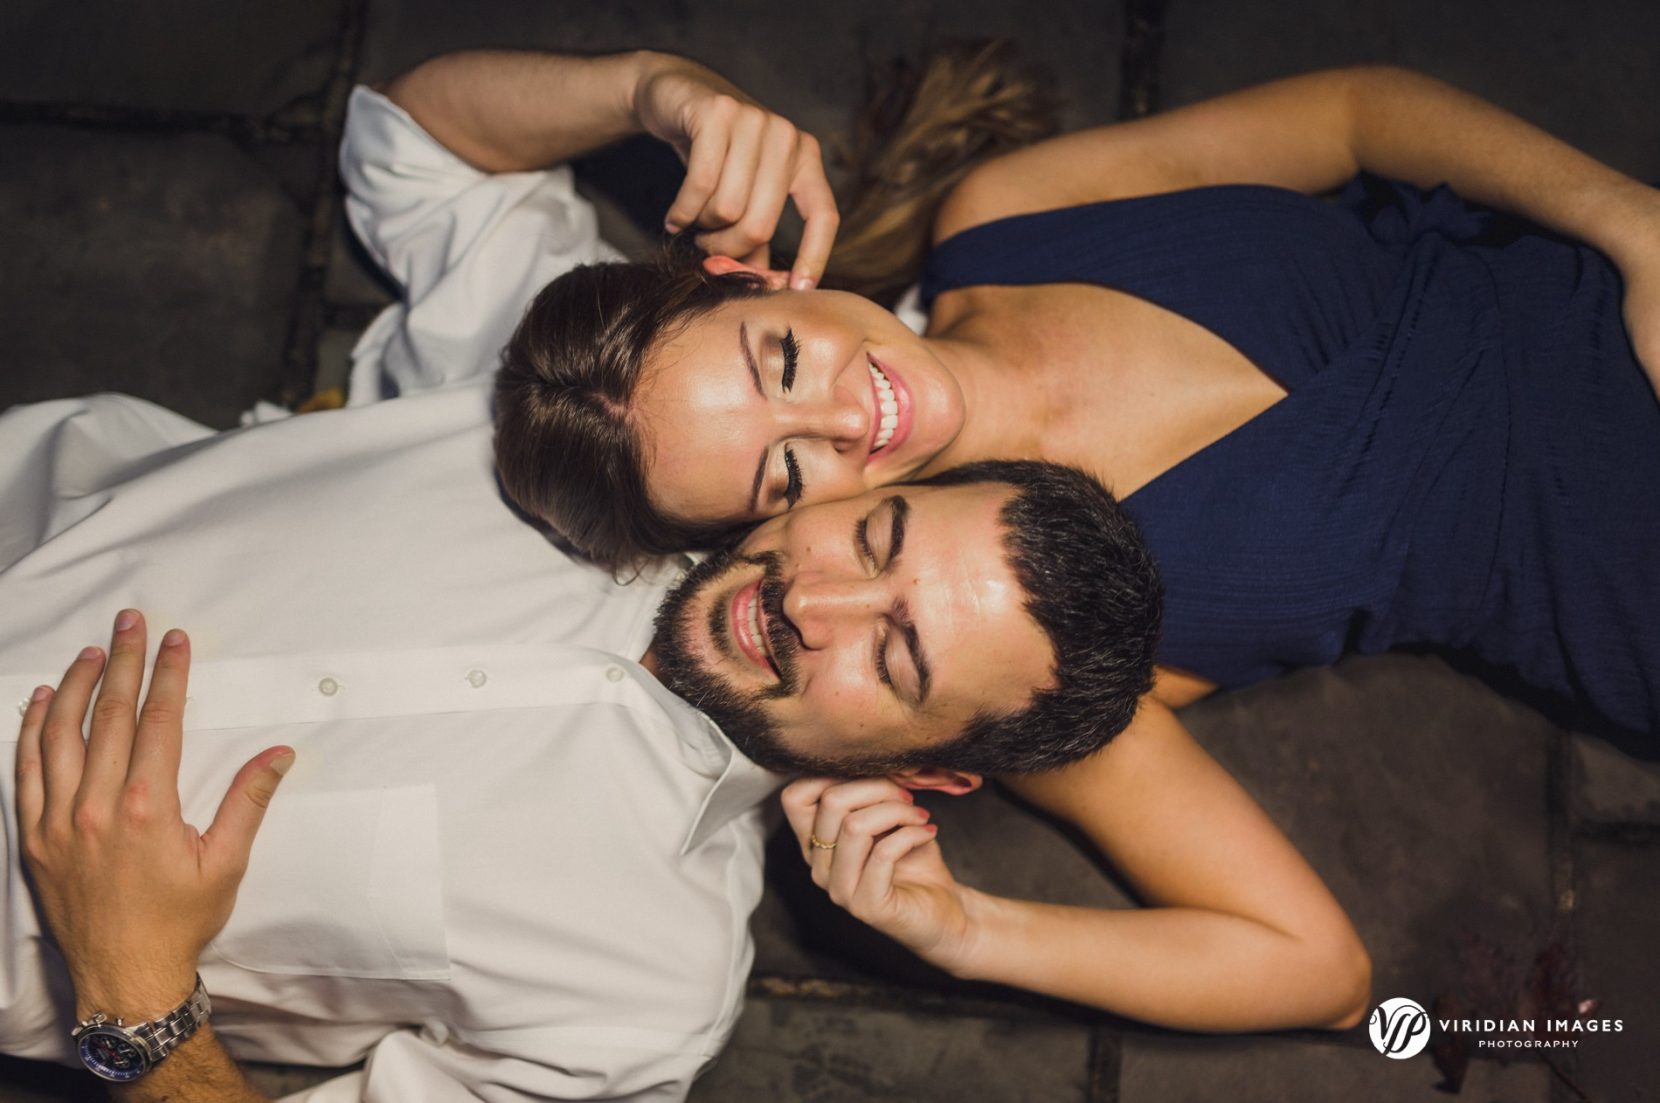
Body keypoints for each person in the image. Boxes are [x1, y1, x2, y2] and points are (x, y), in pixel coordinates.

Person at [1, 384, 1366, 1100]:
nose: (808, 601)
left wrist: (137, 1002)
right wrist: (653, 89)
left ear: (927, 770)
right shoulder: (632, 417)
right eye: (874, 539)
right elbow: (421, 147)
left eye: (894, 654)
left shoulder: (639, 988)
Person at [447, 46, 1659, 742]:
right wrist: (946, 919)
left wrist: (1631, 227)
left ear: (756, 273)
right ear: (769, 528)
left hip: (1604, 286)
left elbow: (1355, 113)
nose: (840, 418)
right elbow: (1296, 955)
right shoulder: (1030, 619)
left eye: (779, 362)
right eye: (784, 469)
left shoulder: (1008, 215)